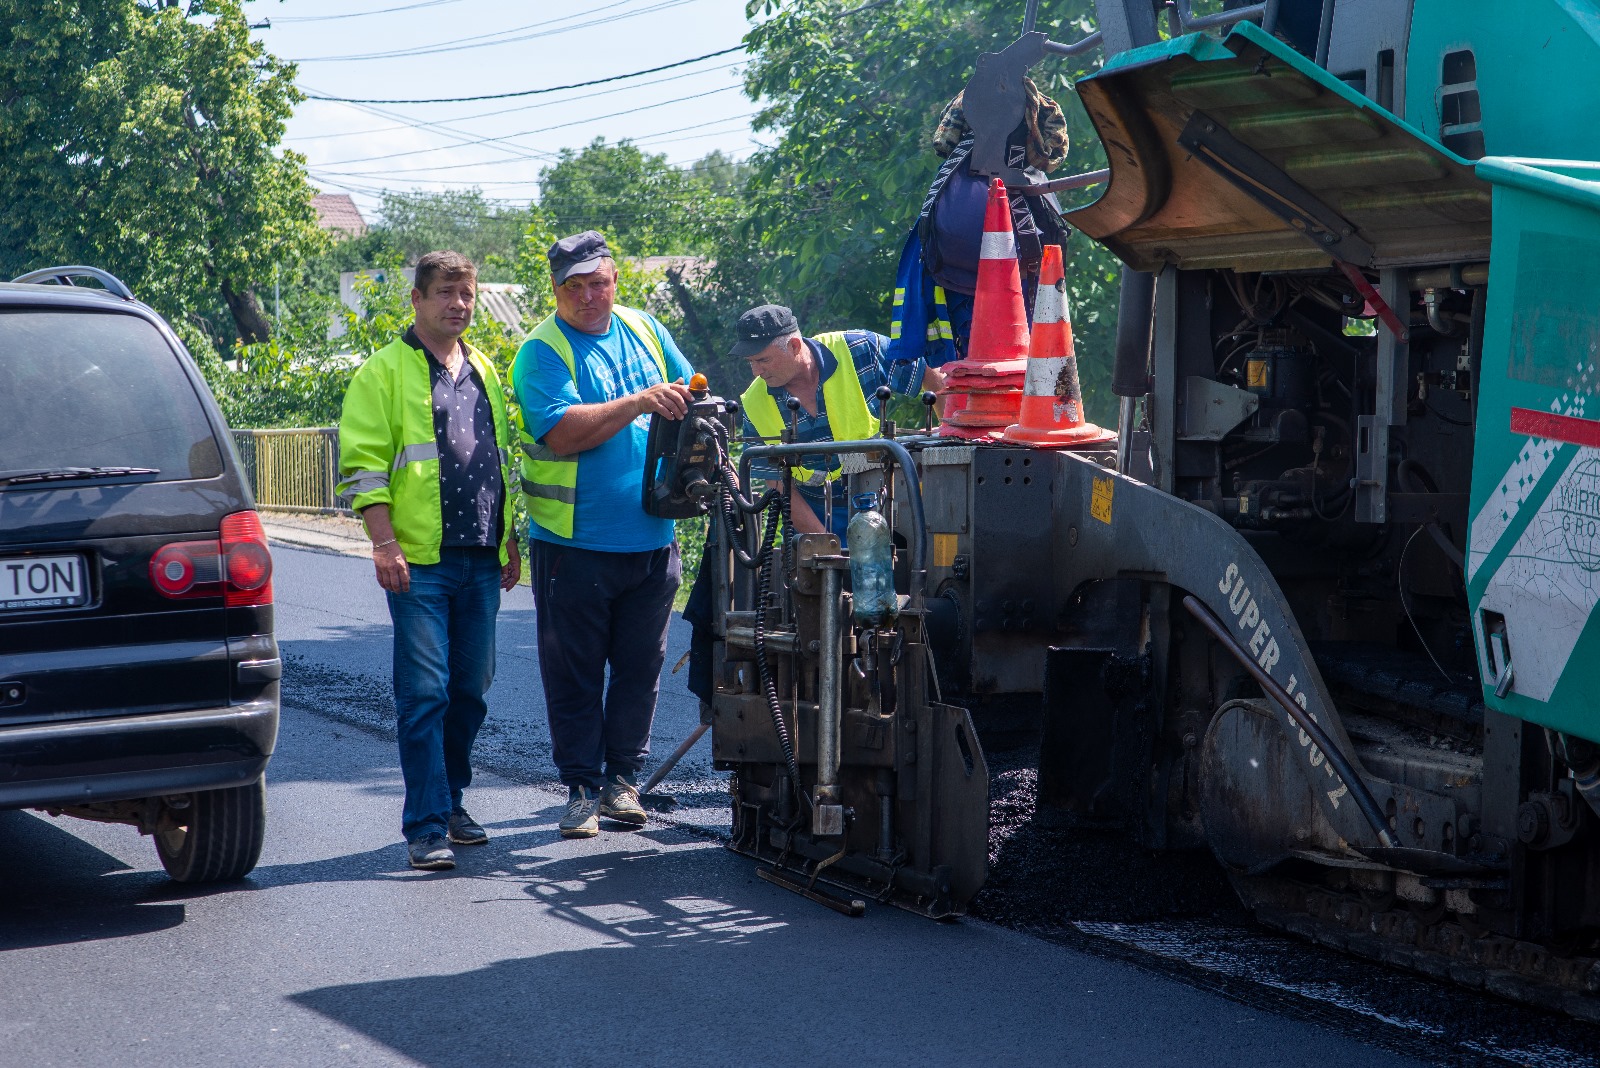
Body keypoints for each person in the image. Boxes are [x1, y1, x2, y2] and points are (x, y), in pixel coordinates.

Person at [337, 250, 520, 872]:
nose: (458, 304)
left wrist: (508, 538)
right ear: (417, 298)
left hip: (481, 556)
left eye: (466, 294)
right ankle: (425, 824)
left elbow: (496, 463)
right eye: (445, 292)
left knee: (471, 689)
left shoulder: (484, 368)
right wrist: (383, 542)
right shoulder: (382, 372)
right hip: (418, 561)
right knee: (424, 693)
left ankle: (452, 800)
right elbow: (363, 467)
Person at [511, 230, 695, 840]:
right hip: (574, 545)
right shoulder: (541, 351)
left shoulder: (645, 328)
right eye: (574, 286)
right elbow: (562, 432)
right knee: (576, 674)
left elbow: (691, 391)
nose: (588, 296)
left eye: (598, 283)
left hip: (653, 538)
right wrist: (638, 402)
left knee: (641, 670)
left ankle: (623, 782)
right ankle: (581, 789)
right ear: (555, 289)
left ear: (615, 280)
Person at [735, 304, 945, 538]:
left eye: (763, 360)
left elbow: (927, 372)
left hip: (880, 501)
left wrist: (948, 428)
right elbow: (777, 484)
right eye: (750, 362)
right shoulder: (754, 403)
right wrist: (825, 540)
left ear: (794, 346)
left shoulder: (860, 348)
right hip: (810, 515)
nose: (756, 371)